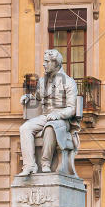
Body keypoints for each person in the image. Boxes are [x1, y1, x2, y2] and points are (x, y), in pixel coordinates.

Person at [18, 48, 80, 177]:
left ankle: (45, 163)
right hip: (46, 116)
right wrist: (29, 97)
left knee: (50, 127)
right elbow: (39, 98)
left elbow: (72, 108)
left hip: (63, 120)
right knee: (25, 128)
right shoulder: (42, 81)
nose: (43, 64)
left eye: (46, 62)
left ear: (55, 63)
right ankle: (29, 165)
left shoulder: (69, 82)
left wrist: (58, 115)